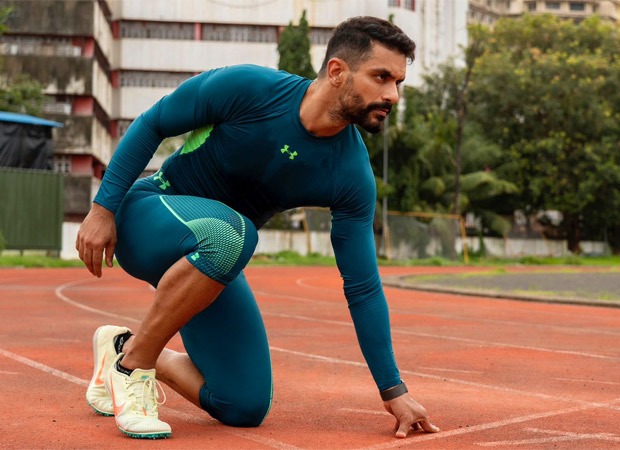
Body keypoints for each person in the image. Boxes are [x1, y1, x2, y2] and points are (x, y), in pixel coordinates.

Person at [77, 15, 440, 440]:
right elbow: (154, 122)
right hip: (147, 216)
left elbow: (362, 286)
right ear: (338, 71)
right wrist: (103, 207)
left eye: (398, 82)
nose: (392, 94)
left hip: (214, 257)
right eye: (381, 77)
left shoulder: (352, 175)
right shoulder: (250, 88)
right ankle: (131, 370)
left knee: (243, 403)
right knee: (235, 233)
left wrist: (392, 390)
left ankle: (123, 348)